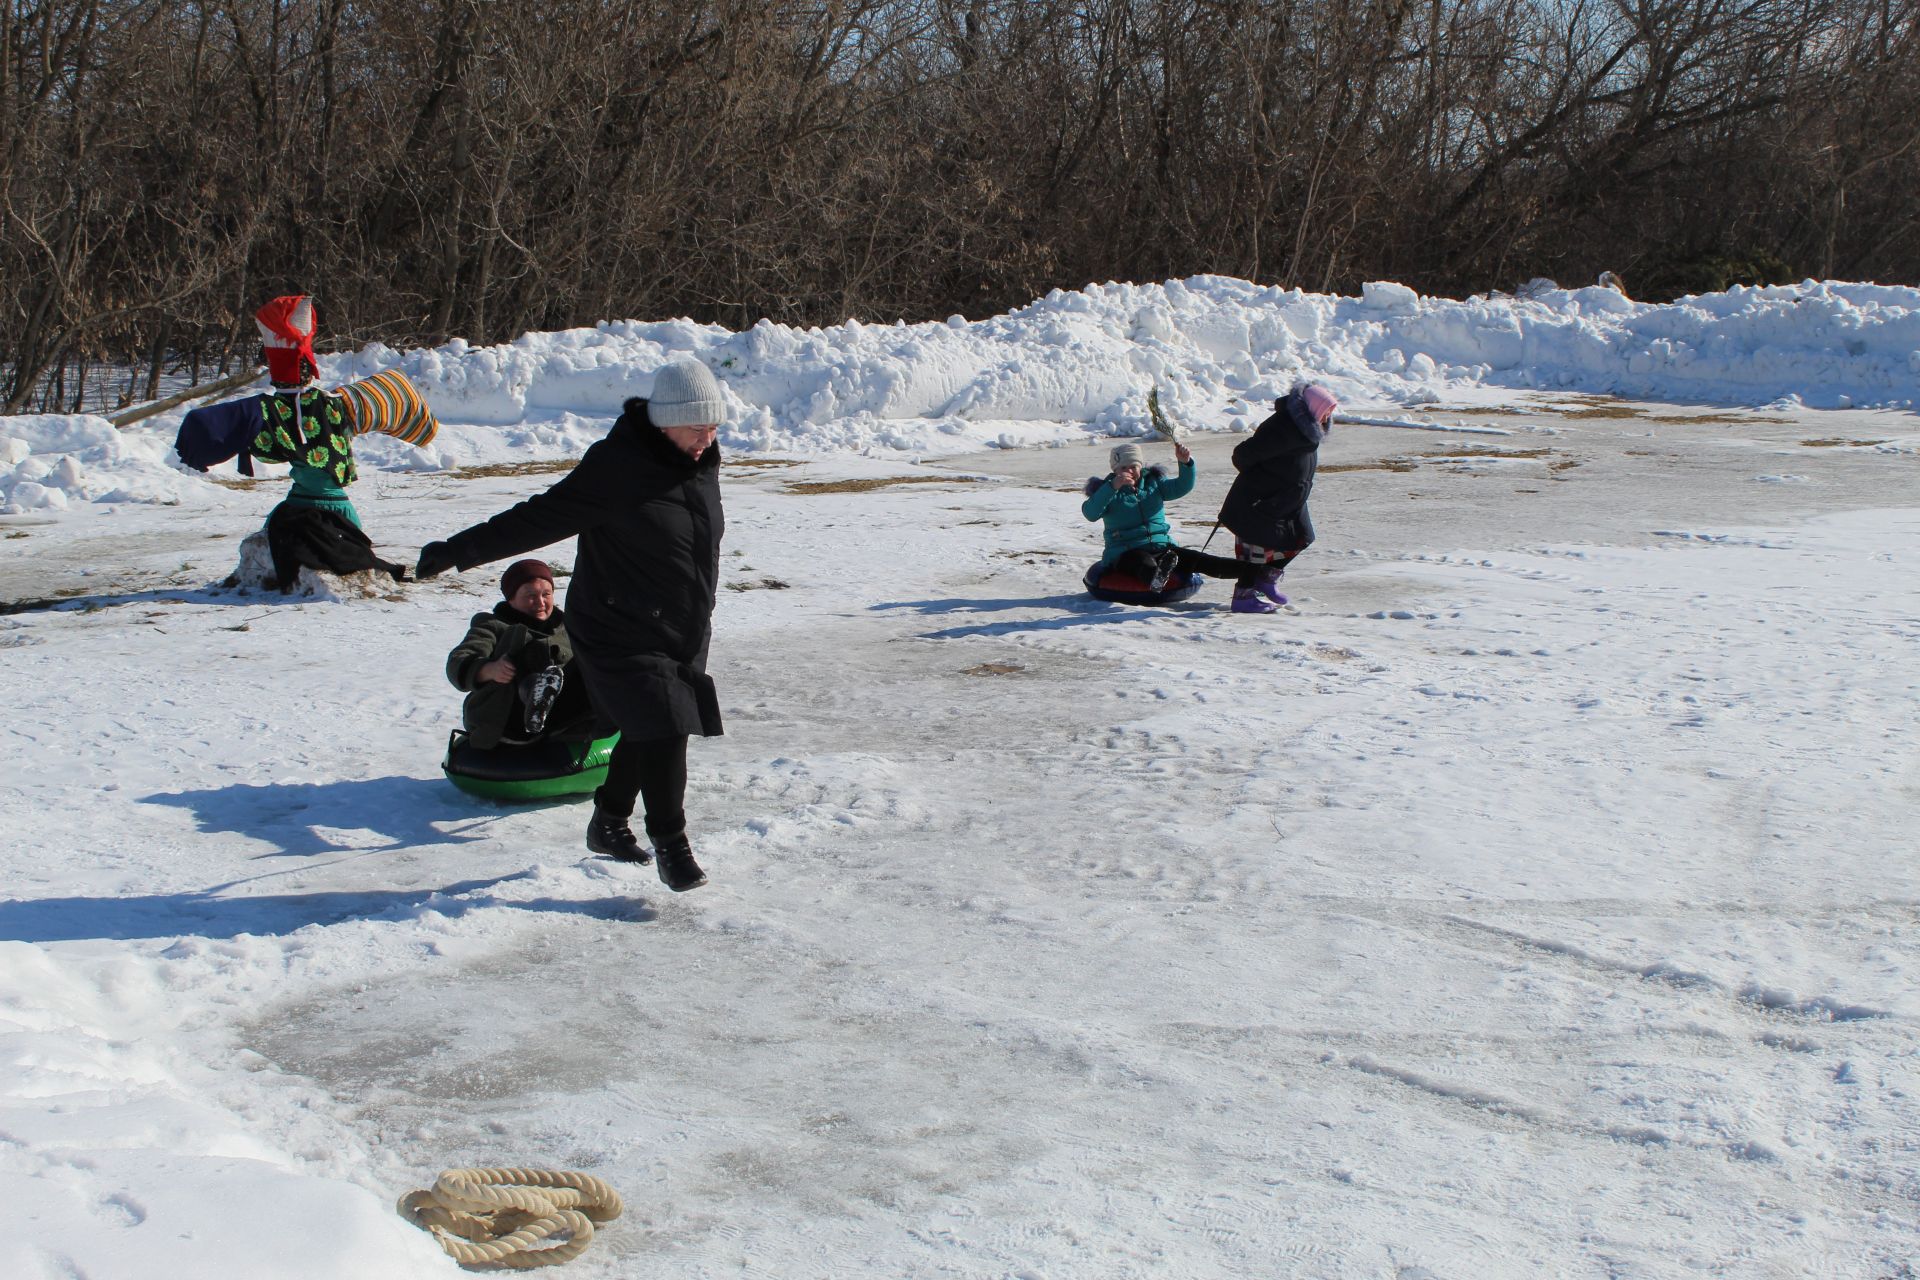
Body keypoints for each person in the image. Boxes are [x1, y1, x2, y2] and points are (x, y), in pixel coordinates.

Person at [416, 360, 728, 893]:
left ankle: (608, 821)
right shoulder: (618, 467)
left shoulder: (696, 464)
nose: (708, 438)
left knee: (646, 725)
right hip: (614, 626)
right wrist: (456, 551)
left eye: (714, 426)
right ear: (663, 421)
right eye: (696, 427)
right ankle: (671, 844)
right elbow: (540, 516)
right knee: (666, 726)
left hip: (680, 625)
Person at [445, 558, 606, 749]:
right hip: (506, 717)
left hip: (558, 715)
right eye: (530, 595)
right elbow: (459, 660)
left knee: (590, 662)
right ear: (511, 598)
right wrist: (489, 669)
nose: (540, 602)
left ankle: (547, 700)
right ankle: (534, 693)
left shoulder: (567, 626)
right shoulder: (491, 626)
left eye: (546, 594)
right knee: (534, 648)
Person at [1217, 382, 1338, 614]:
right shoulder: (1284, 428)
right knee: (1257, 547)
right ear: (1312, 409)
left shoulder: (1308, 430)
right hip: (1262, 497)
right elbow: (1243, 455)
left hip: (1290, 499)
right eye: (1326, 410)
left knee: (1302, 537)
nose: (1329, 416)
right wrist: (1263, 478)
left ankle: (1266, 579)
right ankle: (1243, 598)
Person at [1082, 440, 1254, 596]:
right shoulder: (1108, 491)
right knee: (1142, 562)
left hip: (1161, 547)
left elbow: (1181, 487)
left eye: (1133, 466)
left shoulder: (1154, 484)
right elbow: (1090, 513)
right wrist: (1112, 487)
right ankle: (1156, 579)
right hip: (1126, 551)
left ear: (1140, 467)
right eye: (1123, 468)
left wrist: (1185, 463)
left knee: (1199, 559)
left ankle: (1254, 571)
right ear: (1115, 470)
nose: (1129, 472)